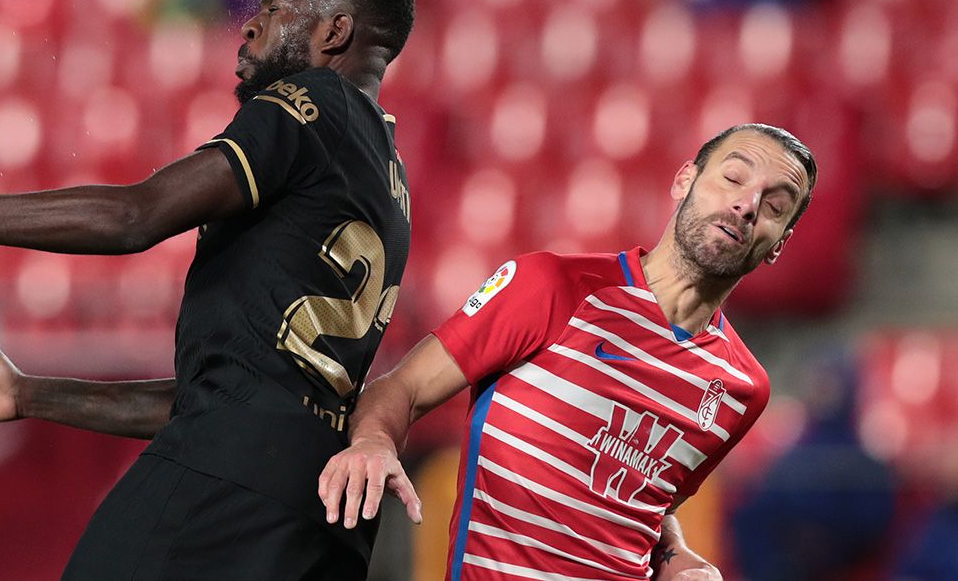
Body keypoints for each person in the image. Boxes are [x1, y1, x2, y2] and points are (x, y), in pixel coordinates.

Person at [0, 0, 417, 580]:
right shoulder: (389, 181)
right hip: (326, 514)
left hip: (225, 491)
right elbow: (223, 400)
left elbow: (135, 216)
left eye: (276, 7)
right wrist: (29, 394)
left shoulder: (311, 104)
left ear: (336, 32)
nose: (251, 23)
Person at [318, 124, 818, 581]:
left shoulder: (742, 389)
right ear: (684, 180)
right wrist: (373, 442)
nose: (748, 204)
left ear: (779, 244)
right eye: (733, 177)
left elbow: (649, 502)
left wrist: (675, 556)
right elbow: (400, 389)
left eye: (775, 206)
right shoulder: (552, 287)